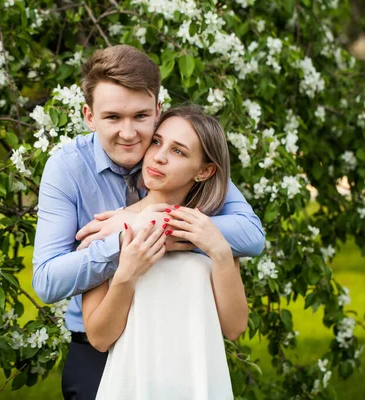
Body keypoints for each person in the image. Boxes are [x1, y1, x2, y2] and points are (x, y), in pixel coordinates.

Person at [32, 45, 265, 399]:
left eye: (141, 117)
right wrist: (125, 240)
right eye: (112, 117)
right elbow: (48, 282)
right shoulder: (68, 171)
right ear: (90, 117)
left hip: (187, 355)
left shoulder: (197, 186)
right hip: (101, 353)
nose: (131, 135)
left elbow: (250, 235)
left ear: (157, 110)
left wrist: (157, 230)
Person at [83, 105, 246, 399]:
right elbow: (98, 338)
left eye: (178, 151)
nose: (159, 156)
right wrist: (127, 276)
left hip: (199, 383)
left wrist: (220, 252)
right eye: (157, 142)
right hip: (133, 385)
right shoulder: (109, 229)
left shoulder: (211, 232)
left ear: (204, 170)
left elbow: (234, 328)